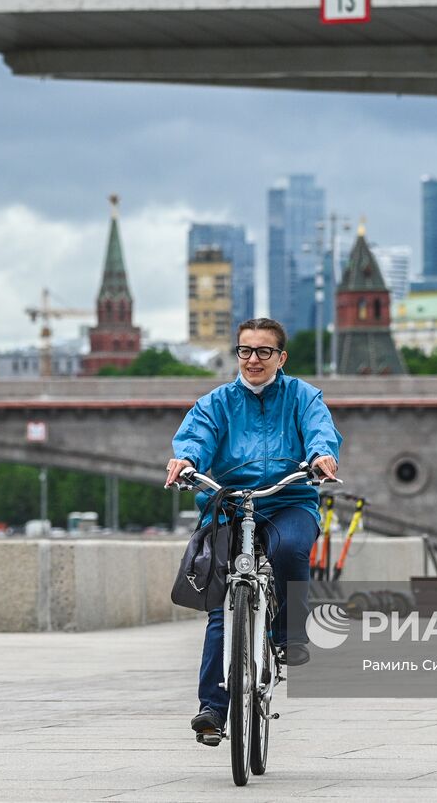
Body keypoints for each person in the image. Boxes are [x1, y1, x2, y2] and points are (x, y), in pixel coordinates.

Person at [166, 317, 342, 746]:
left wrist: (321, 455)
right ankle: (212, 708)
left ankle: (287, 634)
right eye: (246, 350)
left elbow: (321, 431)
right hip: (230, 503)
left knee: (290, 550)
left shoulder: (303, 397)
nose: (253, 359)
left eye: (264, 351)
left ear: (281, 358)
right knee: (219, 604)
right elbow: (197, 436)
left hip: (287, 500)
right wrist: (186, 461)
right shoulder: (217, 402)